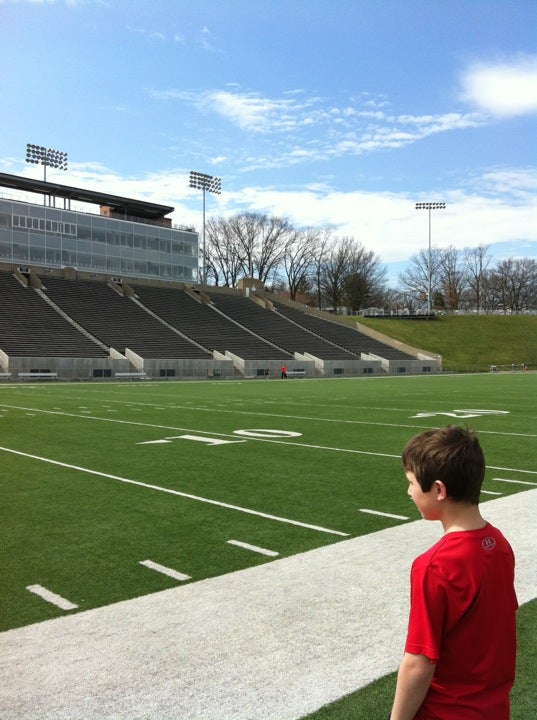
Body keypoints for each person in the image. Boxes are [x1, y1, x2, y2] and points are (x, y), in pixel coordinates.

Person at [389, 426, 518, 720]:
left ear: (439, 489)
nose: (408, 491)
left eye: (411, 482)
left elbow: (419, 663)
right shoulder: (499, 545)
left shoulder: (434, 565)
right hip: (493, 710)